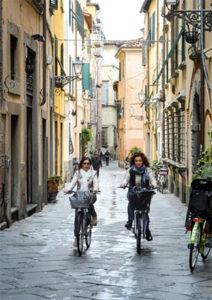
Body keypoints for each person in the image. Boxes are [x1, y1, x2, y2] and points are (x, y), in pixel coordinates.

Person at [120, 152, 157, 241]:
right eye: (136, 161)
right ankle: (130, 221)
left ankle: (146, 230)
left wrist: (155, 184)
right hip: (133, 191)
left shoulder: (147, 170)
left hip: (145, 192)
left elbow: (152, 178)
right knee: (131, 204)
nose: (138, 162)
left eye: (140, 161)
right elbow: (126, 178)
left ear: (143, 161)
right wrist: (123, 184)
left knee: (146, 211)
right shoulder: (130, 170)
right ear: (134, 161)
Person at [65, 157, 99, 246]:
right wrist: (68, 189)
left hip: (90, 194)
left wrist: (95, 189)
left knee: (89, 203)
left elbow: (95, 182)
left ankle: (94, 216)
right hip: (80, 195)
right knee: (77, 216)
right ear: (81, 164)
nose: (86, 165)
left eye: (88, 163)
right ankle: (76, 237)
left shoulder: (93, 173)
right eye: (84, 163)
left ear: (90, 165)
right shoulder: (78, 173)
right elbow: (73, 182)